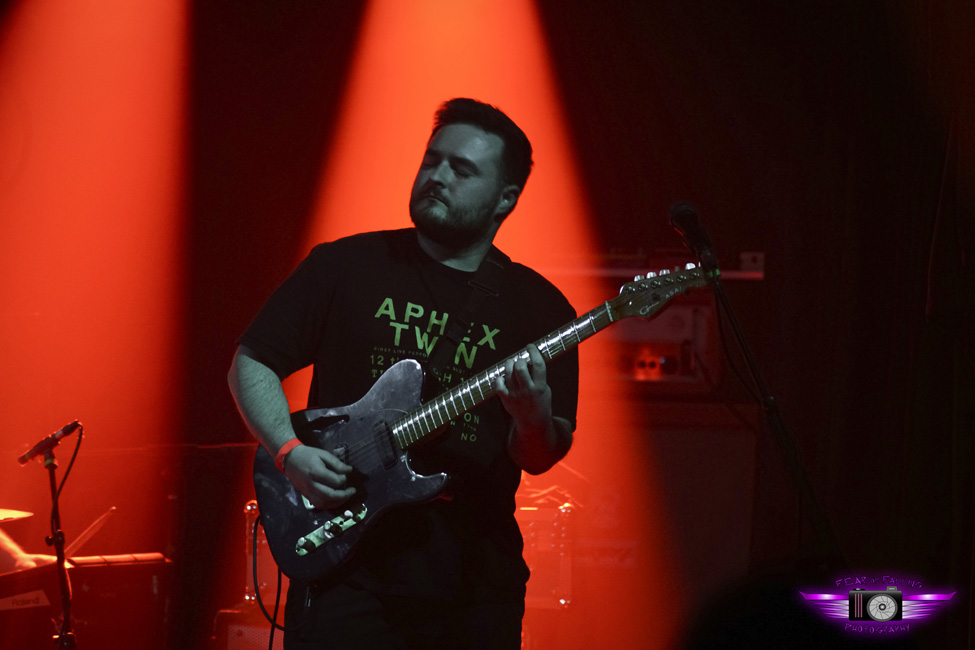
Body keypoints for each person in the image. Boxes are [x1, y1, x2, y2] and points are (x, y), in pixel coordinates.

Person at [228, 98, 579, 649]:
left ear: (504, 200)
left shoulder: (539, 310)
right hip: (347, 576)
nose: (437, 176)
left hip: (473, 588)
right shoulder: (344, 266)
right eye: (432, 160)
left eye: (461, 170)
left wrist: (533, 419)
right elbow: (252, 362)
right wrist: (288, 453)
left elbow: (536, 457)